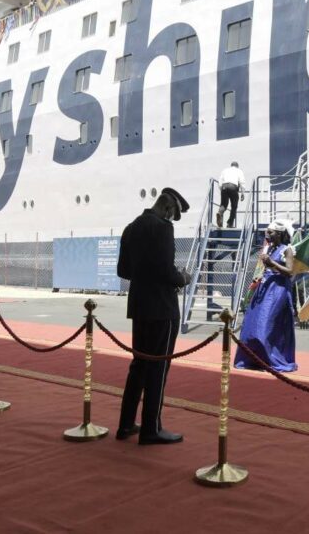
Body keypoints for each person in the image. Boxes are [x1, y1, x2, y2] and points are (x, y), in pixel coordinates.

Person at [116, 187, 192, 445]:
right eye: (172, 214)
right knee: (158, 367)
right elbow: (166, 272)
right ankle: (151, 428)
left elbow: (123, 271)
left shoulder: (131, 228)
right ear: (169, 208)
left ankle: (126, 424)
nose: (171, 219)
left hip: (139, 306)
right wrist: (183, 277)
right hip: (162, 307)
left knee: (138, 365)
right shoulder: (162, 228)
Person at [234, 218, 298, 373]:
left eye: (271, 232)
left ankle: (269, 360)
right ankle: (254, 359)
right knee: (251, 325)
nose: (267, 234)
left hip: (278, 290)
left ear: (280, 233)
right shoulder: (268, 249)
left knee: (265, 326)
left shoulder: (287, 249)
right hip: (263, 288)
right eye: (266, 231)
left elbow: (290, 272)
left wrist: (272, 264)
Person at [216, 161, 246, 228]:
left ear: (231, 165)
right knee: (234, 207)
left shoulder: (225, 170)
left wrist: (222, 189)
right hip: (233, 187)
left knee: (224, 205)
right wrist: (242, 193)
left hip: (224, 187)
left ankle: (219, 213)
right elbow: (242, 181)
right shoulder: (239, 171)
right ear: (237, 166)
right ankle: (230, 223)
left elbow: (220, 181)